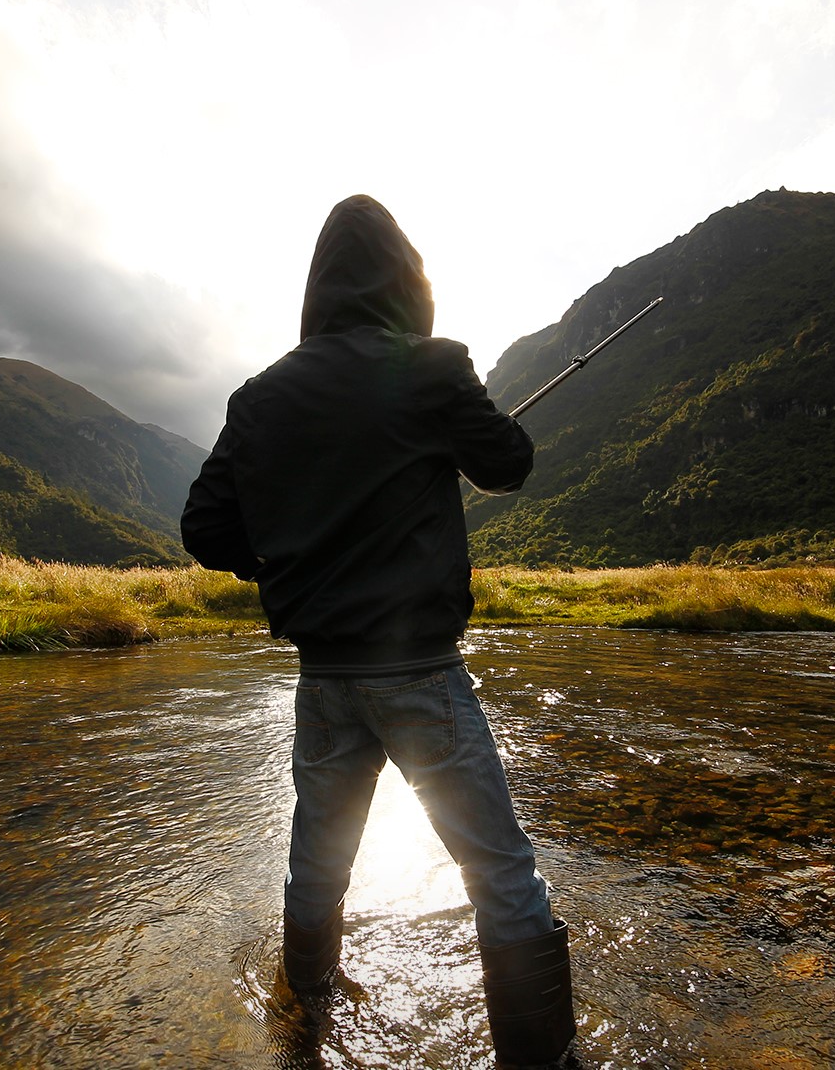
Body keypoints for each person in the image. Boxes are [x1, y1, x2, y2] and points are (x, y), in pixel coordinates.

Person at [181, 195, 576, 1067]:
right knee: (500, 873)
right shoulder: (432, 368)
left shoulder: (259, 396)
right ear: (406, 279)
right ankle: (542, 1060)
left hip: (323, 680)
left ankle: (305, 1017)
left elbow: (204, 528)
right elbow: (508, 464)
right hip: (422, 674)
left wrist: (283, 564)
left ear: (317, 287)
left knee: (317, 868)